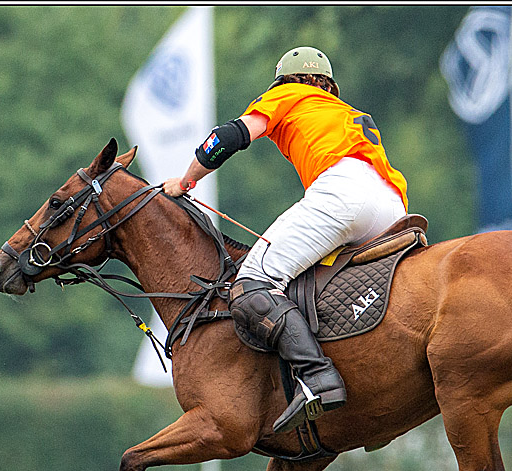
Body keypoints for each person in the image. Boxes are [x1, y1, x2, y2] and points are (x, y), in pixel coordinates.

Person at [163, 47, 409, 434]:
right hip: (392, 205)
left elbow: (228, 136)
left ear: (285, 81)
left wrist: (186, 180)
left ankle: (317, 376)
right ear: (329, 86)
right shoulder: (343, 111)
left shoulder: (289, 94)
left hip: (344, 192)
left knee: (251, 283)